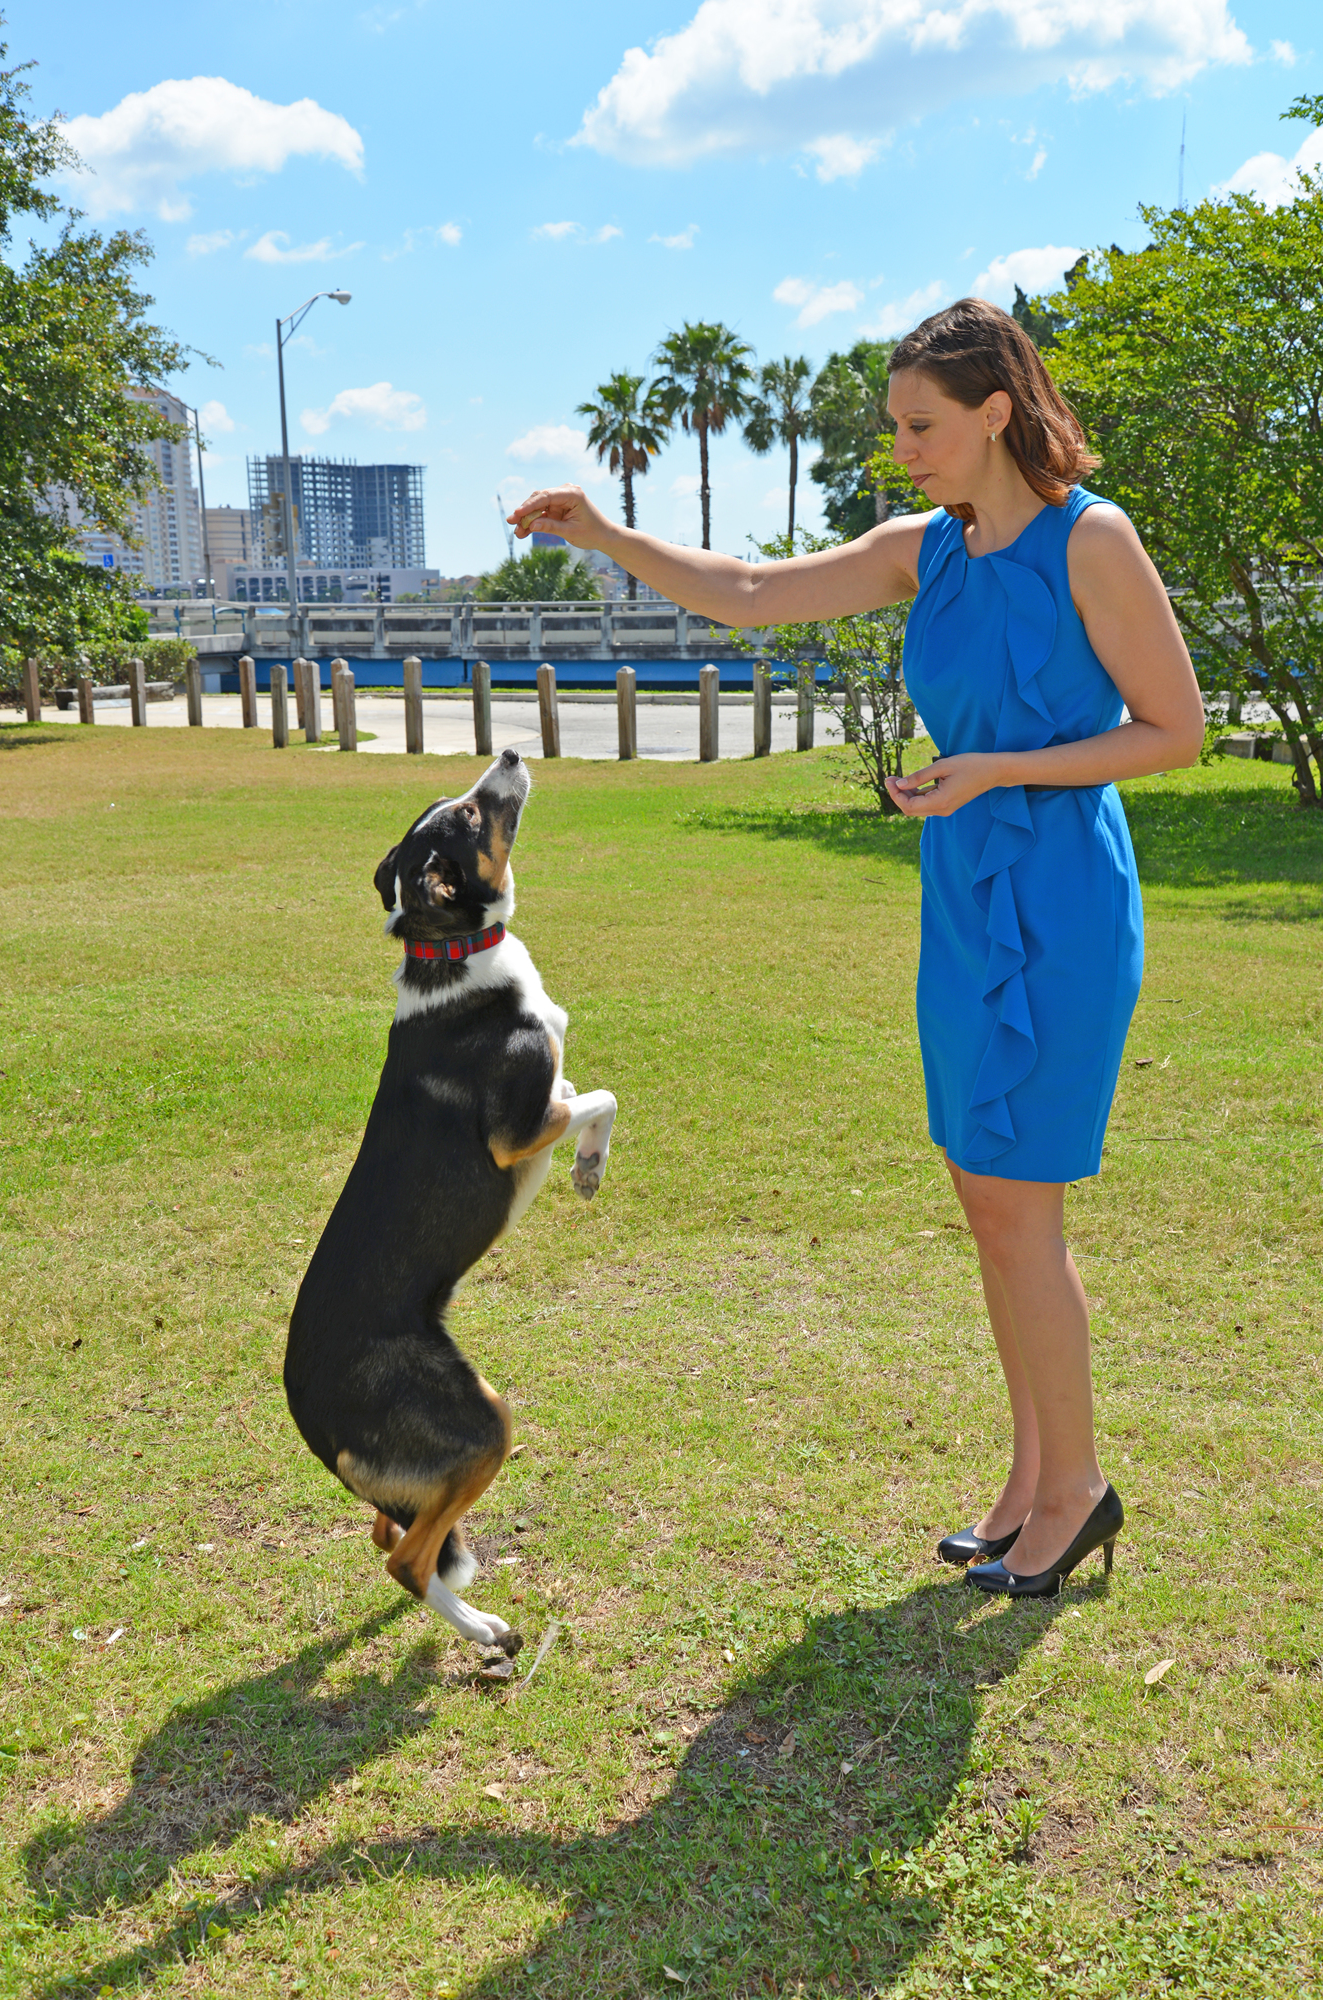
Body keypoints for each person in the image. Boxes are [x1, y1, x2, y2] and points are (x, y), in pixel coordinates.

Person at [508, 298, 1204, 1598]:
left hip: (1056, 899)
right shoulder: (924, 550)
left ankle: (1078, 1488)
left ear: (998, 409)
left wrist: (995, 768)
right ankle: (1030, 1475)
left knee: (1025, 1207)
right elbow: (755, 593)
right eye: (896, 428)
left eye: (923, 425)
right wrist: (608, 536)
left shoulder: (1089, 541)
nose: (906, 450)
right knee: (987, 1202)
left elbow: (1174, 730)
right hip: (964, 895)